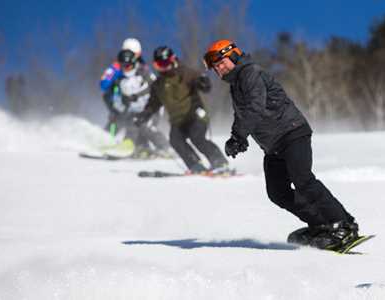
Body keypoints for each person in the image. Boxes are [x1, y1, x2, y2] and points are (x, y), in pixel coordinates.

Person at [202, 39, 359, 251]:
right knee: (278, 193)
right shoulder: (237, 83)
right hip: (273, 145)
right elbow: (243, 113)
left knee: (303, 180)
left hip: (292, 133)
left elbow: (254, 108)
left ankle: (343, 224)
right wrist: (237, 136)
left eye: (221, 63)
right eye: (215, 67)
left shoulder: (250, 73)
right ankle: (320, 224)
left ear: (233, 56)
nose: (219, 69)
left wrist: (239, 136)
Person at [136, 46, 230, 174]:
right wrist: (144, 115)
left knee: (197, 137)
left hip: (195, 115)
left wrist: (203, 83)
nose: (163, 67)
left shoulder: (185, 73)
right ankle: (195, 165)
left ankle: (219, 162)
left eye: (166, 63)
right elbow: (153, 104)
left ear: (173, 60)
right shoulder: (158, 84)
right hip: (178, 121)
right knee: (175, 140)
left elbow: (202, 83)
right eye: (159, 64)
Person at [116, 49, 170, 157]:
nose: (127, 69)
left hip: (151, 108)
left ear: (134, 63)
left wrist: (137, 95)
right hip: (135, 110)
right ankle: (141, 147)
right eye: (124, 66)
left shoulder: (144, 73)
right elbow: (120, 98)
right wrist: (124, 100)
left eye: (129, 65)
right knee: (132, 125)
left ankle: (164, 147)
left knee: (146, 126)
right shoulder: (121, 80)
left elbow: (155, 87)